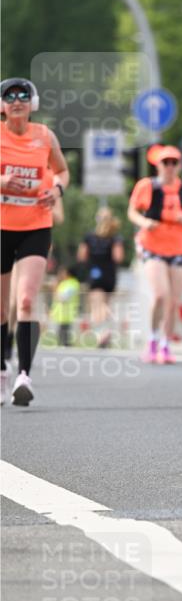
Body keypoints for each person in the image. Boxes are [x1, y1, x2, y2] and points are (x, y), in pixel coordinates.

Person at [1, 77, 70, 406]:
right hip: (2, 226)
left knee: (26, 301)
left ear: (32, 102)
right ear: (2, 105)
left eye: (23, 95)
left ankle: (23, 376)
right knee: (1, 308)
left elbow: (63, 171)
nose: (16, 100)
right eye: (9, 96)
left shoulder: (44, 135)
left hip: (35, 226)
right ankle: (1, 368)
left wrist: (55, 190)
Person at [128, 145, 182, 364]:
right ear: (158, 165)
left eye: (174, 162)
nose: (170, 167)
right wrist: (145, 222)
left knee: (174, 300)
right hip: (152, 245)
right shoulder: (147, 186)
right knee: (160, 295)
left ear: (179, 165)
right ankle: (153, 339)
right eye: (166, 162)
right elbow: (133, 211)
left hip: (180, 246)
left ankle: (166, 344)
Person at [77, 207, 124, 347]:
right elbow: (118, 257)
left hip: (95, 273)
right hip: (110, 274)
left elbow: (81, 256)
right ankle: (106, 330)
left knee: (97, 305)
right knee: (106, 304)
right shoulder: (115, 237)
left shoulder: (89, 237)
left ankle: (101, 333)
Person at [50, 266, 80, 346]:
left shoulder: (72, 284)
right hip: (61, 314)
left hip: (66, 315)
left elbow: (63, 297)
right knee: (61, 336)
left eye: (64, 272)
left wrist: (54, 289)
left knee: (65, 338)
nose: (62, 275)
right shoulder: (64, 283)